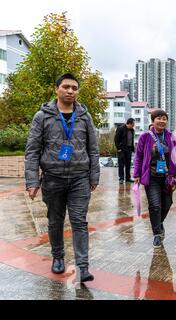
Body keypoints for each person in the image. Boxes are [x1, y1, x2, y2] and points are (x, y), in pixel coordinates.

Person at [25, 73, 99, 282]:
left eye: (74, 88)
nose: (70, 91)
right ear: (56, 88)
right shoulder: (42, 116)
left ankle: (82, 266)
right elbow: (32, 151)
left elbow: (93, 149)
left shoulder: (85, 116)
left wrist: (94, 176)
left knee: (78, 221)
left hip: (79, 179)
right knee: (55, 221)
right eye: (66, 87)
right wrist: (32, 182)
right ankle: (58, 257)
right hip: (53, 178)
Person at [133, 109, 176, 248]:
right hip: (151, 176)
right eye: (158, 118)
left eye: (164, 118)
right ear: (153, 121)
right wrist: (137, 174)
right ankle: (157, 234)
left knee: (167, 204)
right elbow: (139, 157)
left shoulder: (171, 136)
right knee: (155, 205)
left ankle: (158, 224)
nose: (162, 121)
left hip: (167, 177)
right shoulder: (145, 137)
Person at [115, 118, 135, 184]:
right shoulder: (120, 128)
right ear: (129, 123)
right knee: (121, 164)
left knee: (128, 164)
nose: (133, 125)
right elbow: (116, 139)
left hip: (129, 149)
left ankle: (128, 178)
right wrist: (118, 148)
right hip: (122, 149)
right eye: (133, 124)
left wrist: (132, 149)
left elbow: (132, 140)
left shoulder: (132, 130)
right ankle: (121, 178)